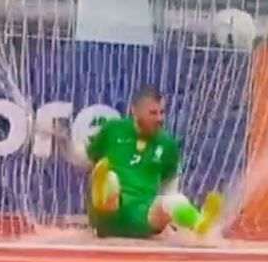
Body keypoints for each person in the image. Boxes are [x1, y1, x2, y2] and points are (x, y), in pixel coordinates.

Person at [54, 85, 222, 239]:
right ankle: (104, 202)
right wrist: (64, 143)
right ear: (135, 112)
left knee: (175, 200)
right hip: (108, 213)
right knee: (109, 178)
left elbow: (169, 186)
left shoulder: (168, 144)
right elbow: (84, 159)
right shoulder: (113, 130)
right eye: (153, 113)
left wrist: (170, 216)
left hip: (143, 215)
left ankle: (201, 224)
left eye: (162, 112)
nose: (160, 118)